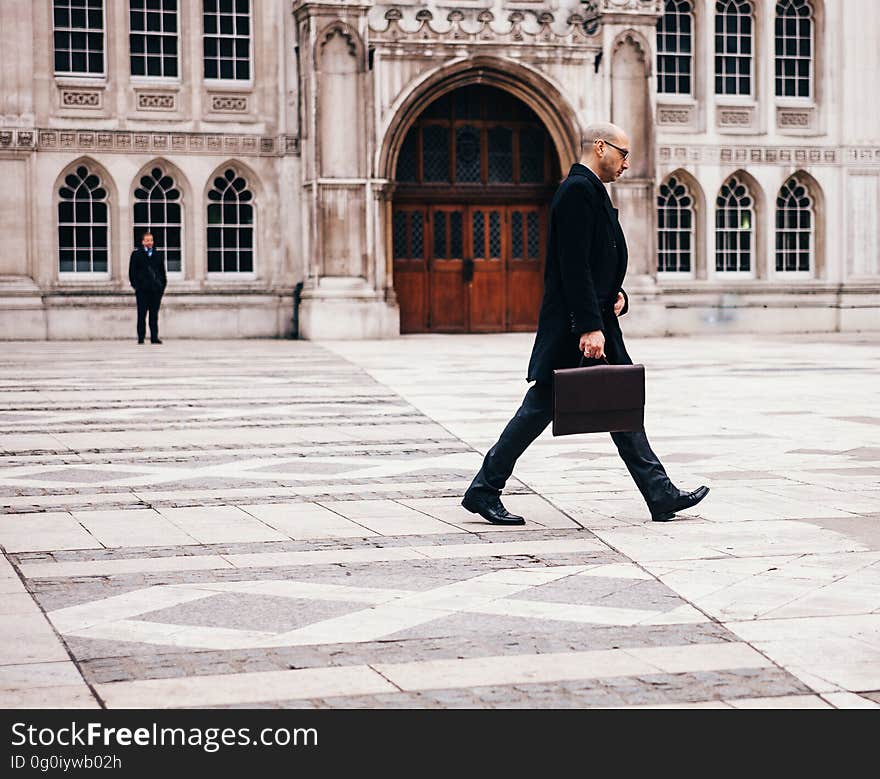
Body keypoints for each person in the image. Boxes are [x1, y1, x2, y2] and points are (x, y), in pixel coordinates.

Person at [461, 122, 708, 525]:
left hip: (595, 321)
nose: (627, 163)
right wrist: (588, 327)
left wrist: (619, 295)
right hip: (580, 328)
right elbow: (572, 266)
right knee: (543, 408)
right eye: (623, 153)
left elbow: (597, 263)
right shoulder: (577, 191)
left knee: (619, 404)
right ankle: (484, 488)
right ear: (600, 147)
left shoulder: (591, 191)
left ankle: (659, 493)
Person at [128, 231, 166, 344]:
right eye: (147, 240)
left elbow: (162, 272)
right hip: (142, 290)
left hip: (155, 290)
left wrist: (161, 287)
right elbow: (132, 272)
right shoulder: (136, 255)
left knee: (154, 315)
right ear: (143, 242)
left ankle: (154, 337)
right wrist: (137, 286)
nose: (150, 243)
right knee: (142, 314)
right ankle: (141, 337)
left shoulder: (158, 255)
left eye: (151, 240)